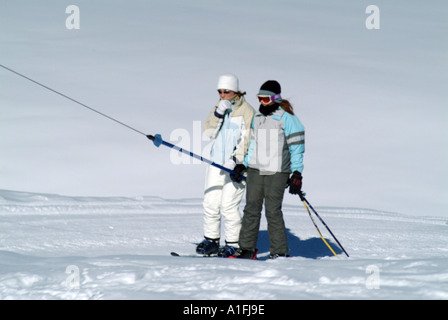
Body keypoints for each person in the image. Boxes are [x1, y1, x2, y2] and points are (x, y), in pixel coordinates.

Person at [231, 80, 305, 259]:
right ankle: (247, 249)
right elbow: (254, 145)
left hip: (277, 171)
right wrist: (244, 164)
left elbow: (297, 148)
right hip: (256, 169)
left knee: (272, 211)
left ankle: (279, 252)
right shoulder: (258, 119)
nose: (261, 102)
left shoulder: (288, 119)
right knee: (251, 209)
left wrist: (296, 172)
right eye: (259, 98)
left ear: (275, 98)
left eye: (265, 99)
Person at [197, 74, 255, 257]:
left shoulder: (247, 111)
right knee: (210, 203)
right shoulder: (219, 106)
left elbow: (248, 139)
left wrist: (237, 160)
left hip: (235, 167)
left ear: (236, 91)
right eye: (220, 91)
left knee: (228, 206)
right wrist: (218, 114)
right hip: (215, 162)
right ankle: (211, 241)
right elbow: (209, 133)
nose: (222, 95)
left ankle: (233, 244)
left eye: (226, 91)